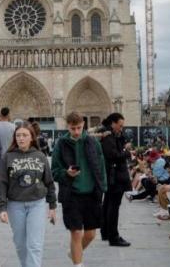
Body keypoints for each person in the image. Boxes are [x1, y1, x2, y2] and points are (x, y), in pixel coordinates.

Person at [0, 123, 56, 267]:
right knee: (21, 245)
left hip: (37, 204)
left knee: (34, 245)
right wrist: (2, 208)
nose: (21, 138)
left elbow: (49, 181)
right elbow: (1, 183)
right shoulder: (8, 157)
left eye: (25, 135)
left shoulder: (40, 156)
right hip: (15, 205)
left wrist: (52, 206)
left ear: (31, 138)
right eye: (18, 135)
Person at [51, 111, 107, 267]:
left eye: (79, 128)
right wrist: (66, 173)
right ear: (67, 126)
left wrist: (103, 187)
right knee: (76, 233)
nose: (76, 132)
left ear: (84, 125)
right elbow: (54, 170)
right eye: (73, 128)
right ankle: (78, 263)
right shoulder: (61, 144)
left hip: (91, 194)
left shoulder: (93, 142)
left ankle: (75, 253)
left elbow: (101, 167)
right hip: (71, 194)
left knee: (90, 234)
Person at [99, 113, 132, 247]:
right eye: (120, 126)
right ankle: (113, 236)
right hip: (114, 177)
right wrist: (127, 153)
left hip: (113, 176)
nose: (121, 129)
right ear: (113, 123)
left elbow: (121, 142)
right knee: (113, 207)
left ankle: (106, 232)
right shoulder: (107, 137)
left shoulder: (112, 135)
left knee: (108, 204)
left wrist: (121, 138)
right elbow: (113, 155)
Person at [0, 107, 16, 171]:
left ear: (0, 115)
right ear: (8, 115)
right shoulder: (14, 127)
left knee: (0, 177)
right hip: (11, 156)